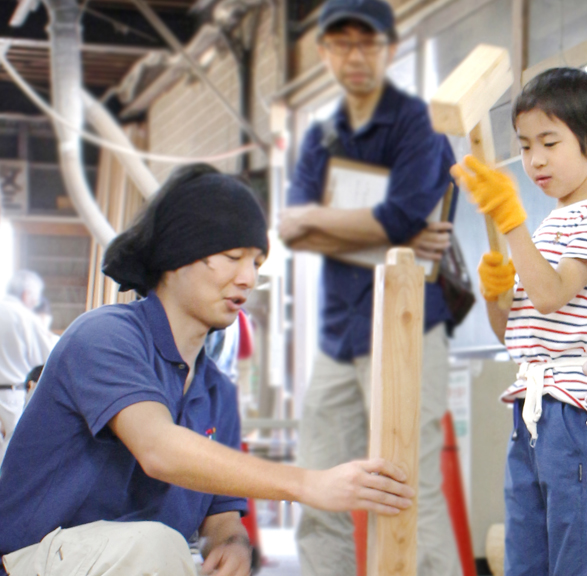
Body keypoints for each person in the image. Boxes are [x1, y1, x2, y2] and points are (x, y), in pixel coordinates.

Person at [0, 164, 414, 576]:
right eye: (233, 258)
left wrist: (232, 545)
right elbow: (159, 449)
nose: (248, 277)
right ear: (177, 257)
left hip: (139, 560)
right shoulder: (105, 337)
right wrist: (308, 484)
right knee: (157, 545)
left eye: (256, 261)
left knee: (165, 548)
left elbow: (221, 516)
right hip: (32, 558)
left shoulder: (216, 391)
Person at [281, 0, 460, 576]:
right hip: (338, 334)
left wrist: (316, 219)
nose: (354, 56)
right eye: (341, 43)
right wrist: (379, 234)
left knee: (410, 485)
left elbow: (401, 217)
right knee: (317, 485)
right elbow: (292, 234)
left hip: (409, 326)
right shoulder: (321, 135)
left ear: (390, 49)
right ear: (325, 52)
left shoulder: (418, 125)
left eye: (366, 43)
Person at [454, 68, 587, 576]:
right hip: (531, 408)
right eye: (524, 145)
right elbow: (512, 335)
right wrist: (495, 294)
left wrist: (512, 225)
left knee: (574, 553)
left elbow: (552, 295)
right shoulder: (548, 223)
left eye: (549, 142)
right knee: (524, 554)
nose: (534, 159)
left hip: (574, 410)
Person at [0, 270, 57, 464]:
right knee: (9, 453)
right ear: (26, 294)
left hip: (10, 392)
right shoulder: (23, 316)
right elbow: (49, 355)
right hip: (10, 395)